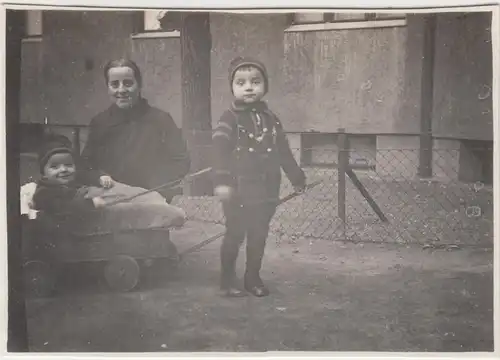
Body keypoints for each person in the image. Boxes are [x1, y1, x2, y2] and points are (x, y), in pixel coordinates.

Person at [212, 56, 306, 297]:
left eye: (255, 81)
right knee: (235, 233)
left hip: (266, 189)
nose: (249, 87)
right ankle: (227, 279)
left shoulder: (272, 120)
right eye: (241, 83)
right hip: (237, 190)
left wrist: (296, 177)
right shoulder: (229, 118)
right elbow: (219, 151)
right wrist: (221, 182)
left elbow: (283, 151)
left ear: (265, 86)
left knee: (259, 235)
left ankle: (252, 278)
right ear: (232, 88)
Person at [80, 59, 191, 203]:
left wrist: (156, 184)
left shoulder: (160, 120)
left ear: (139, 85)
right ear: (107, 88)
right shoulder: (100, 123)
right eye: (114, 84)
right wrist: (99, 177)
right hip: (112, 199)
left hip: (152, 198)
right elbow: (85, 166)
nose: (121, 90)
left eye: (128, 83)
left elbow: (181, 160)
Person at [32, 134, 187, 234]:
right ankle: (169, 213)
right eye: (54, 167)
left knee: (130, 192)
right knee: (130, 210)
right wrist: (89, 204)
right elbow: (63, 207)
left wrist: (100, 177)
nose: (63, 170)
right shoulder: (45, 193)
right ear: (43, 172)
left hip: (92, 195)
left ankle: (156, 199)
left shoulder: (69, 178)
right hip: (88, 209)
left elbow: (87, 174)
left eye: (68, 164)